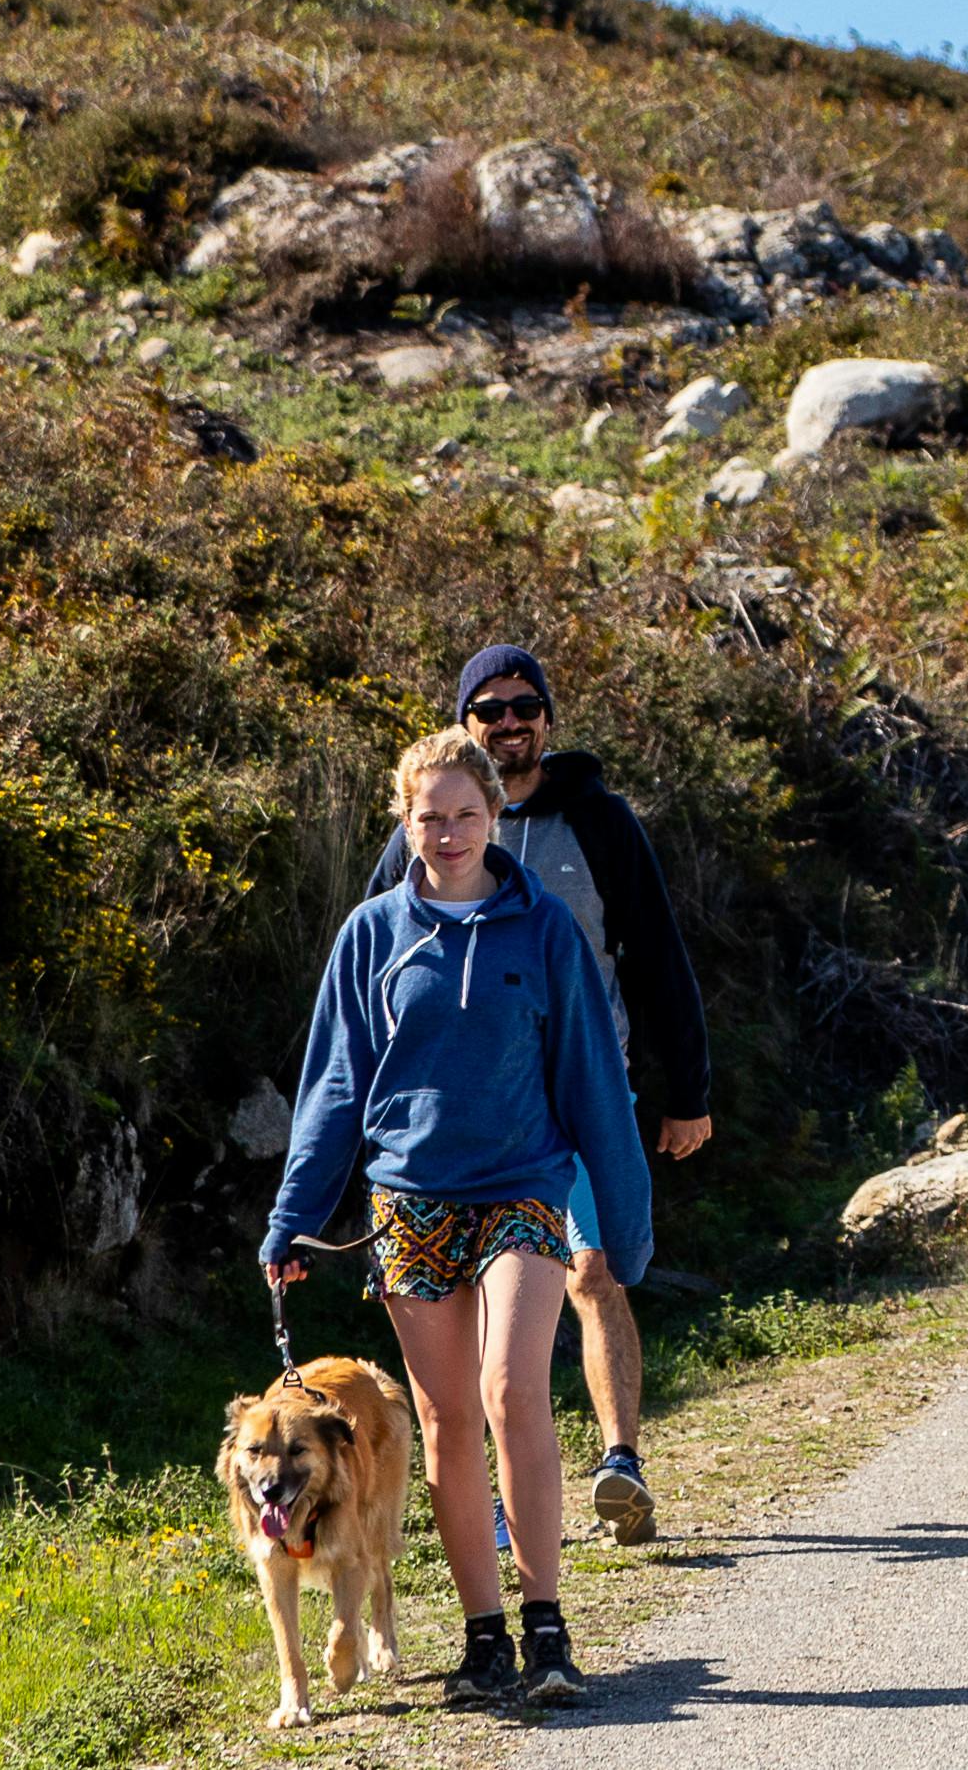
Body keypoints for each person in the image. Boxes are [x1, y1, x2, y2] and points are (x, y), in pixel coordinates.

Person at [266, 722, 653, 1711]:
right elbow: (334, 1086)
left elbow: (593, 1081)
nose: (446, 832)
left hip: (522, 1184)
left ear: (494, 816)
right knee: (441, 1419)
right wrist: (295, 1216)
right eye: (429, 816)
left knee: (513, 1386)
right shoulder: (371, 936)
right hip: (408, 1198)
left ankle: (547, 1624)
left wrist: (620, 1216)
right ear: (407, 819)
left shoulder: (544, 929)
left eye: (465, 814)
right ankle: (484, 1638)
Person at [365, 644, 712, 1546]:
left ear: (548, 719)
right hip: (465, 1115)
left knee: (592, 1270)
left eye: (526, 706)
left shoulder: (600, 822)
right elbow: (372, 969)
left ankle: (620, 1461)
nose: (510, 721)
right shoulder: (425, 826)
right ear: (466, 724)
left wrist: (688, 1090)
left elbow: (659, 955)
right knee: (481, 1302)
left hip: (582, 1093)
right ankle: (493, 1494)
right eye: (491, 709)